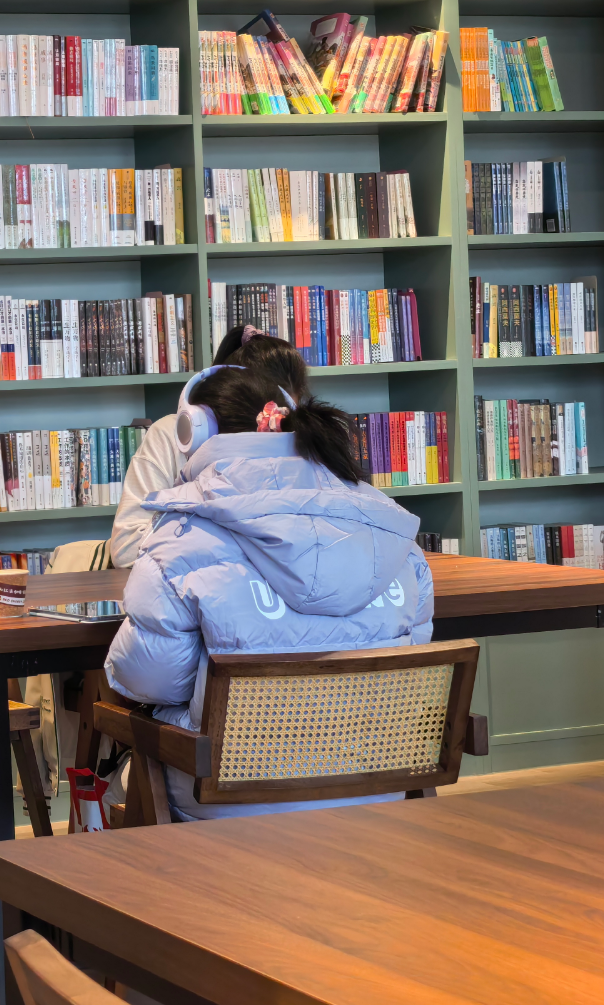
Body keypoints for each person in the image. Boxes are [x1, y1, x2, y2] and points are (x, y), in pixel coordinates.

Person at [105, 364, 435, 821]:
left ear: (193, 431)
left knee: (120, 771)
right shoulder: (390, 525)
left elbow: (148, 680)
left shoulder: (180, 538)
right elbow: (415, 649)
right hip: (376, 794)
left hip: (230, 802)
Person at [108, 325, 312, 568]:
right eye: (266, 419)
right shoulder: (170, 435)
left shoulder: (296, 440)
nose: (272, 428)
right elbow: (127, 550)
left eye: (282, 421)